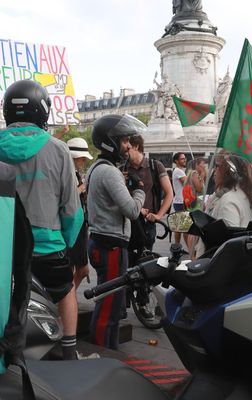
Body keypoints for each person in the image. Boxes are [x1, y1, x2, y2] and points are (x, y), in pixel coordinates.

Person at [0, 80, 84, 360]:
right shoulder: (58, 149)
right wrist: (67, 244)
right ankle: (70, 351)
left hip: (5, 251)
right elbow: (71, 209)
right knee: (65, 291)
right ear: (42, 110)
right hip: (48, 248)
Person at [86, 114, 145, 349]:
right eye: (123, 141)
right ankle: (102, 354)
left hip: (103, 241)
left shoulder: (98, 168)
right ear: (109, 142)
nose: (128, 145)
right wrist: (139, 189)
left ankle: (107, 350)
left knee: (109, 304)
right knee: (108, 307)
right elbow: (132, 210)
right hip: (110, 245)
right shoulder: (109, 172)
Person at [194, 153, 252, 258]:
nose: (214, 171)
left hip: (219, 267)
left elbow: (228, 246)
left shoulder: (229, 200)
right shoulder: (241, 193)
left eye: (217, 166)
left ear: (227, 171)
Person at [124, 134, 173, 251]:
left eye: (128, 148)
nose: (125, 152)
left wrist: (158, 215)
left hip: (147, 223)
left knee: (145, 261)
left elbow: (169, 193)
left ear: (136, 146)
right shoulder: (123, 169)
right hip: (128, 223)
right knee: (128, 263)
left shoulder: (155, 166)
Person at [66, 137, 93, 290]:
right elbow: (66, 197)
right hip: (74, 226)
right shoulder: (68, 174)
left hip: (78, 224)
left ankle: (67, 299)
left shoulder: (74, 173)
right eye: (82, 159)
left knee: (76, 269)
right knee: (80, 269)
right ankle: (66, 299)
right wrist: (82, 188)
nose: (83, 162)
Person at [171, 152, 188, 245]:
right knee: (184, 228)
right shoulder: (178, 171)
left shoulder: (180, 171)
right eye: (182, 159)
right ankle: (188, 249)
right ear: (176, 161)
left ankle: (177, 247)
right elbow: (188, 182)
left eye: (185, 158)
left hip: (180, 201)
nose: (184, 160)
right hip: (181, 202)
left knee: (180, 227)